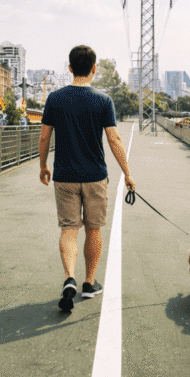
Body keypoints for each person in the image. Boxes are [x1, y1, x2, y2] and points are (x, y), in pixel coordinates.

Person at [39, 45, 136, 312]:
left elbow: (45, 136)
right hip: (95, 176)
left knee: (69, 229)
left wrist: (42, 166)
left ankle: (69, 277)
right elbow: (114, 139)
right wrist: (127, 174)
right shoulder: (103, 101)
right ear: (94, 68)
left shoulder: (55, 99)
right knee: (94, 229)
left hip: (65, 177)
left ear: (69, 67)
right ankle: (89, 282)